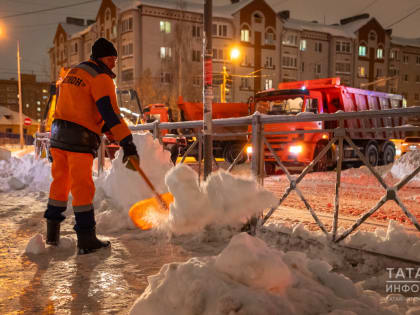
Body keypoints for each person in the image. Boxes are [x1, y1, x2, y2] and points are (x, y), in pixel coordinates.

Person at [44, 38, 139, 255]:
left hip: (58, 137)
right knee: (82, 188)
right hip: (78, 141)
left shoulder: (74, 73)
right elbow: (110, 113)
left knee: (60, 183)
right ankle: (86, 239)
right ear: (101, 58)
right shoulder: (101, 77)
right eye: (111, 58)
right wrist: (127, 142)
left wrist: (105, 128)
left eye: (115, 58)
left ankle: (52, 235)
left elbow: (83, 107)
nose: (114, 63)